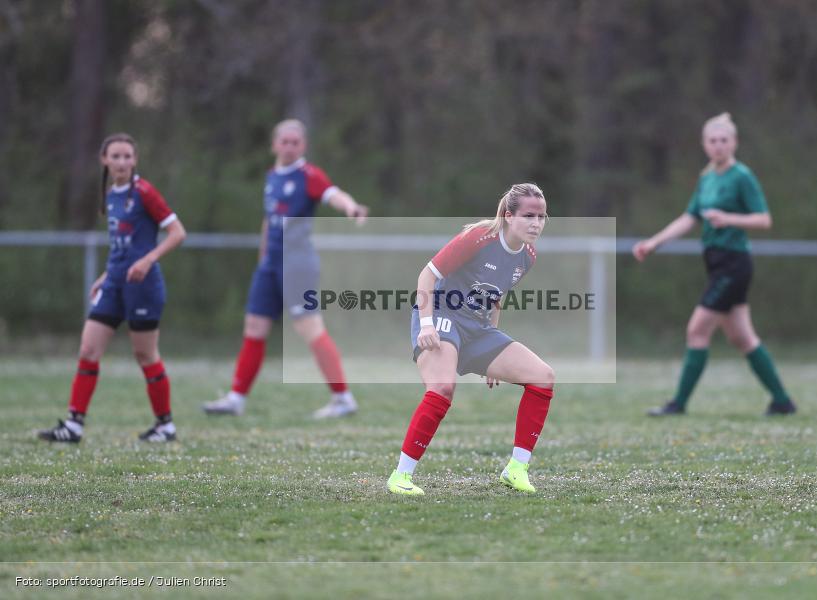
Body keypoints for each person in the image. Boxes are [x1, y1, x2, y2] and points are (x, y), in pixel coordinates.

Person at [386, 183, 555, 496]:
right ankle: (401, 476)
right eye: (529, 215)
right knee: (442, 388)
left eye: (542, 217)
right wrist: (426, 325)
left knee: (543, 377)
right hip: (440, 315)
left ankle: (516, 469)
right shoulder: (479, 238)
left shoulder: (527, 256)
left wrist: (491, 357)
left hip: (477, 328)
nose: (536, 223)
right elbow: (427, 276)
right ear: (509, 215)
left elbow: (495, 298)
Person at [633, 113, 796, 416]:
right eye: (713, 141)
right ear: (704, 144)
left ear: (734, 143)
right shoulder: (707, 177)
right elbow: (689, 217)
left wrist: (728, 218)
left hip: (734, 264)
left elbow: (764, 219)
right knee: (742, 337)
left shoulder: (742, 176)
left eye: (724, 140)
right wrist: (655, 242)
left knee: (697, 330)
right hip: (716, 263)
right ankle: (782, 401)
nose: (718, 146)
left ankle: (678, 404)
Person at [203, 119, 368, 419]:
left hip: (298, 264)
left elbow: (334, 195)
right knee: (254, 328)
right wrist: (263, 256)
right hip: (270, 266)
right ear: (274, 144)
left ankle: (343, 398)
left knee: (309, 329)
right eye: (284, 141)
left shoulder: (309, 175)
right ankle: (236, 398)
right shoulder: (272, 177)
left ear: (302, 146)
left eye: (295, 142)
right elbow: (269, 219)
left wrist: (351, 207)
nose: (289, 146)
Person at [38, 133, 187, 443]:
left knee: (144, 354)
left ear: (135, 160)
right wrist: (107, 274)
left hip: (143, 286)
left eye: (127, 156)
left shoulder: (144, 191)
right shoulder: (111, 195)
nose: (121, 162)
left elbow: (177, 232)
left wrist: (148, 261)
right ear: (104, 160)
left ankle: (165, 425)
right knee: (89, 349)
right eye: (115, 156)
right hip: (115, 283)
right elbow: (122, 244)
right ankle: (74, 425)